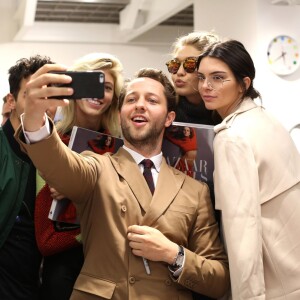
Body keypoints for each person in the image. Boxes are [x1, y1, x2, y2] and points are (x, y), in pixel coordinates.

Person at [16, 65, 230, 299]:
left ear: (169, 118)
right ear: (120, 113)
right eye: (131, 99)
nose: (140, 105)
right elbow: (56, 162)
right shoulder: (96, 168)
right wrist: (35, 115)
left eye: (152, 100)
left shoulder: (195, 191)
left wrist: (173, 254)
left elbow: (219, 280)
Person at [197, 39, 300, 299]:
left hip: (275, 284)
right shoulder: (266, 119)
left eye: (218, 78)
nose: (206, 86)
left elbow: (242, 225)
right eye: (202, 77)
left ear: (244, 83)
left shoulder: (232, 136)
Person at [34, 52, 124, 300]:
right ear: (72, 88)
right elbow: (48, 241)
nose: (98, 93)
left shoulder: (123, 151)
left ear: (113, 99)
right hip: (64, 275)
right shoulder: (51, 145)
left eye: (106, 87)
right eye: (91, 83)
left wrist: (84, 187)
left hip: (115, 274)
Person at [0, 55, 54, 300]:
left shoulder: (59, 152)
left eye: (48, 96)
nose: (41, 104)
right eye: (31, 95)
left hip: (37, 278)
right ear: (11, 101)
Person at [166, 31, 221, 125]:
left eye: (190, 64)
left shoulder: (226, 113)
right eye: (175, 64)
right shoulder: (165, 109)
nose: (179, 72)